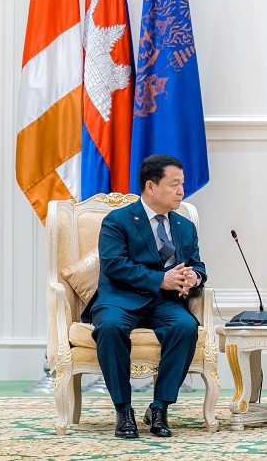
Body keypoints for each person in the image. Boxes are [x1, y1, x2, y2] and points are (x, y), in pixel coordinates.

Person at [81, 154, 207, 439]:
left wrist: (193, 277)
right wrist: (161, 279)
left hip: (163, 303)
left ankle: (160, 407)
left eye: (182, 184)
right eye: (174, 184)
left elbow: (198, 266)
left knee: (185, 327)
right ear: (151, 186)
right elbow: (113, 265)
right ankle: (123, 410)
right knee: (111, 327)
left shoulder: (184, 226)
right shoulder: (118, 221)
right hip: (120, 298)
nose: (181, 191)